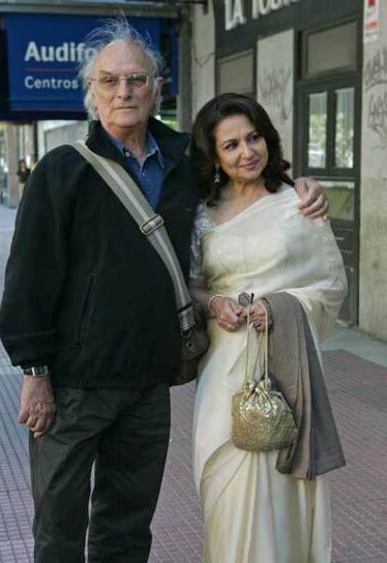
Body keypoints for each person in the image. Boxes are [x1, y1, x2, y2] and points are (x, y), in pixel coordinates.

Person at [0, 21, 327, 563]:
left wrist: (301, 189)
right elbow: (29, 276)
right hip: (72, 388)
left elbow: (249, 181)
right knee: (57, 532)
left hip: (149, 382)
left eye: (135, 80)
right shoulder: (62, 170)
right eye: (109, 81)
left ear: (157, 87)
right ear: (92, 91)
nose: (122, 92)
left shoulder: (185, 162)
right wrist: (34, 374)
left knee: (126, 528)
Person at [189, 93, 348, 563]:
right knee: (227, 488)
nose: (247, 152)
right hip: (224, 370)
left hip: (287, 367)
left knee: (281, 491)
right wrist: (216, 302)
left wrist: (279, 307)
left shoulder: (298, 203)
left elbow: (331, 285)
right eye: (232, 145)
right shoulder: (201, 215)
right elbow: (192, 286)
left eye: (253, 137)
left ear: (268, 138)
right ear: (214, 157)